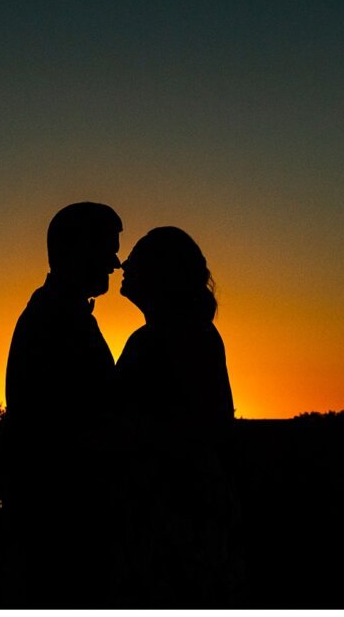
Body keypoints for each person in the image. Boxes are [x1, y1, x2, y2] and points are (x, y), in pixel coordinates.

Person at [115, 226, 242, 607]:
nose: (124, 264)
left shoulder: (170, 337)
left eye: (135, 257)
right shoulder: (185, 332)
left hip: (175, 523)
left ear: (161, 272)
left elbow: (202, 425)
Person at [4, 202, 123, 606]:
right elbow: (72, 426)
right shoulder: (57, 319)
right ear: (77, 249)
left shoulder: (60, 312)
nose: (115, 262)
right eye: (107, 249)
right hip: (65, 525)